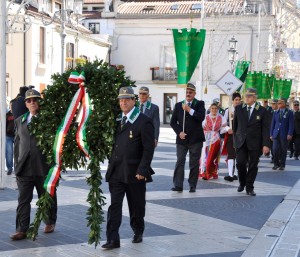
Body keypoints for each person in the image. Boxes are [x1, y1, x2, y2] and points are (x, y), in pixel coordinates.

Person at [103, 87, 155, 250]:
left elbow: (148, 148)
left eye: (127, 99)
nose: (123, 102)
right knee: (115, 206)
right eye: (121, 100)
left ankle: (138, 230)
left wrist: (143, 170)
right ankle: (113, 239)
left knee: (136, 205)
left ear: (134, 101)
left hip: (135, 172)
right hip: (117, 171)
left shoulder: (143, 120)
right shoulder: (116, 120)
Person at [10, 89, 57, 241]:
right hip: (24, 167)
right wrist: (16, 163)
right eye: (29, 101)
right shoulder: (20, 120)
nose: (32, 103)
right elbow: (17, 144)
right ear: (25, 104)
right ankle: (21, 229)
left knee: (47, 196)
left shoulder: (48, 119)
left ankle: (50, 221)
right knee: (23, 199)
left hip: (43, 166)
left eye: (34, 100)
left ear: (39, 102)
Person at [233, 88, 270, 196]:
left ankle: (249, 187)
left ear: (254, 98)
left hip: (255, 143)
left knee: (253, 165)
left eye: (249, 96)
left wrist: (266, 144)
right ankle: (242, 182)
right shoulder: (239, 108)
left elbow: (265, 129)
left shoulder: (262, 111)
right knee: (240, 163)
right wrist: (235, 141)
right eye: (246, 96)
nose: (246, 98)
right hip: (241, 142)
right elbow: (235, 126)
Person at [170, 83, 205, 193]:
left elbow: (201, 117)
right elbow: (172, 122)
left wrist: (189, 109)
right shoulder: (178, 105)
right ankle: (178, 185)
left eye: (190, 92)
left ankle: (192, 185)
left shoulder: (199, 104)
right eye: (187, 92)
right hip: (182, 139)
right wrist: (179, 132)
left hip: (195, 139)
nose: (188, 94)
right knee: (180, 161)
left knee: (194, 163)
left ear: (194, 93)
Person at [199, 103, 230, 180]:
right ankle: (204, 172)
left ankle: (212, 172)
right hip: (206, 139)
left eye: (215, 109)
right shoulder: (206, 117)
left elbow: (224, 127)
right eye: (212, 108)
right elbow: (202, 127)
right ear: (210, 109)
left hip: (216, 139)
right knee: (204, 156)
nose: (214, 110)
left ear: (217, 109)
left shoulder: (221, 118)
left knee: (213, 157)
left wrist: (228, 129)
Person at [270, 97, 294, 170]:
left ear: (285, 103)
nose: (279, 103)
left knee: (283, 150)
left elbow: (291, 124)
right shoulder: (275, 112)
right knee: (274, 149)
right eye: (278, 102)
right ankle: (275, 163)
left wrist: (290, 133)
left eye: (281, 102)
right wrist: (271, 134)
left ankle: (282, 165)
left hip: (284, 134)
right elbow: (273, 124)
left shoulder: (289, 112)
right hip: (276, 134)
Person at [223, 92, 241, 182]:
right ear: (233, 101)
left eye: (239, 100)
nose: (237, 101)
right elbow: (223, 123)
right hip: (231, 135)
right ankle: (230, 174)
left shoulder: (243, 110)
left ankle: (237, 174)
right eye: (236, 100)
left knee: (239, 155)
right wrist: (227, 129)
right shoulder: (228, 110)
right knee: (231, 155)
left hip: (240, 136)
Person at [6, 100, 15, 175]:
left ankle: (18, 167)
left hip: (16, 136)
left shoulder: (18, 113)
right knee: (9, 153)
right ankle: (9, 168)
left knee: (18, 153)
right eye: (11, 105)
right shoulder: (7, 114)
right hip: (8, 136)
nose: (12, 106)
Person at [269, 99, 279, 163]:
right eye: (271, 104)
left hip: (278, 132)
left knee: (277, 147)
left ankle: (277, 159)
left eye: (273, 104)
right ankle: (274, 158)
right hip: (271, 131)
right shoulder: (269, 111)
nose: (272, 105)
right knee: (272, 147)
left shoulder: (279, 112)